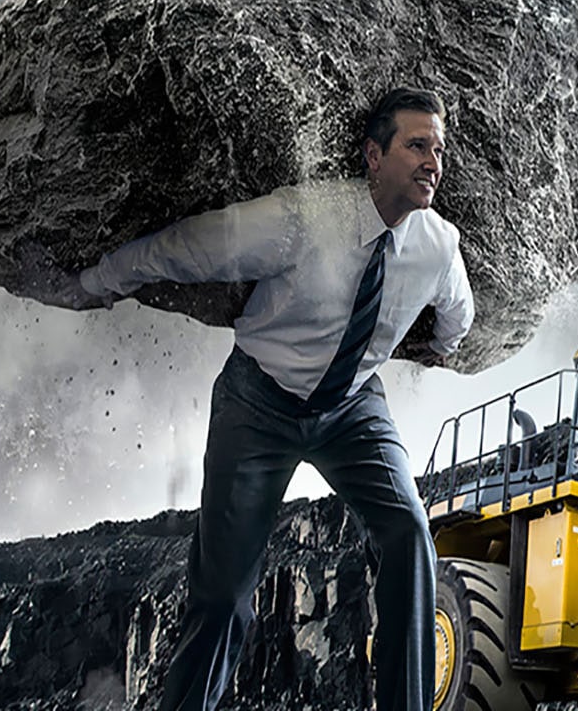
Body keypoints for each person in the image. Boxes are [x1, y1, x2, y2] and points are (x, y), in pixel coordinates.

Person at [63, 88, 473, 711]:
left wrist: (441, 341)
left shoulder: (439, 246)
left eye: (438, 150)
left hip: (353, 410)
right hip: (258, 402)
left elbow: (459, 317)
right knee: (224, 593)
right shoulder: (304, 218)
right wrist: (99, 280)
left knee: (409, 533)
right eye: (417, 146)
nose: (431, 163)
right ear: (372, 154)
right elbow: (194, 245)